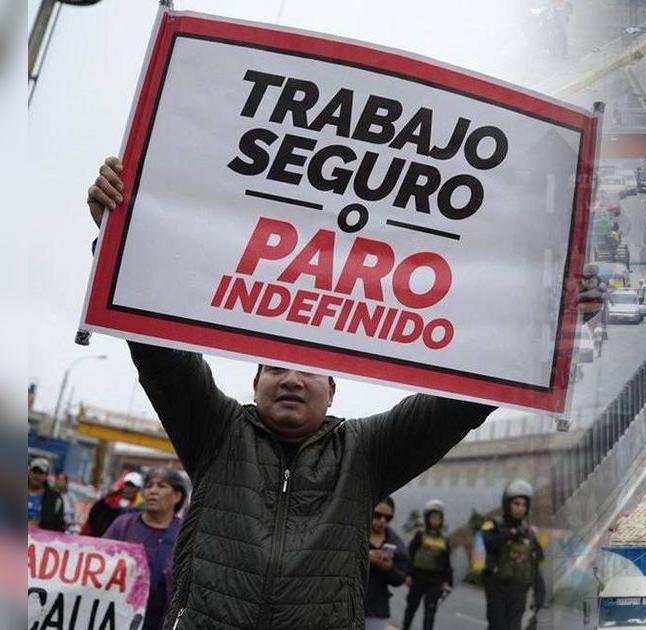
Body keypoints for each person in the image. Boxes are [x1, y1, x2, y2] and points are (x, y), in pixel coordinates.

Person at [83, 156, 498, 629]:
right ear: (254, 383)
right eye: (276, 366)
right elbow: (160, 352)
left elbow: (458, 402)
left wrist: (550, 325)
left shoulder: (365, 452)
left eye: (311, 371)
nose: (293, 379)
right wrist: (119, 239)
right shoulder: (216, 430)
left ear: (333, 390)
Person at [103, 468, 188, 630]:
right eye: (149, 486)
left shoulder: (184, 534)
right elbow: (98, 562)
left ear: (177, 496)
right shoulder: (123, 525)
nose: (152, 491)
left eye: (161, 486)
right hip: (116, 617)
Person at [479, 480, 545, 630]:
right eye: (516, 503)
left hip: (519, 591)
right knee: (498, 626)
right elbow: (490, 545)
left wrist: (540, 594)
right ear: (507, 504)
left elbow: (534, 564)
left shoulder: (529, 532)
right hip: (497, 588)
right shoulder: (493, 524)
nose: (520, 508)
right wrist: (511, 533)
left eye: (524, 504)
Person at [404, 500, 453, 630]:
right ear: (427, 518)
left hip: (435, 581)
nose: (435, 521)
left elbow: (447, 563)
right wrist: (408, 574)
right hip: (418, 577)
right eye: (433, 517)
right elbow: (410, 555)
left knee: (430, 612)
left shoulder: (444, 540)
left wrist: (448, 582)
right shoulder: (419, 536)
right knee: (411, 608)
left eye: (438, 518)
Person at [364, 497, 410, 630]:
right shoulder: (354, 534)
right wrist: (365, 557)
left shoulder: (396, 544)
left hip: (377, 609)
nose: (382, 520)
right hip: (348, 604)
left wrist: (389, 568)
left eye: (387, 517)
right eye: (377, 515)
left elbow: (400, 578)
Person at [81, 471, 143, 537]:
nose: (128, 489)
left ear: (138, 489)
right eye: (127, 485)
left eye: (132, 486)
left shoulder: (138, 510)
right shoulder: (105, 503)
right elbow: (90, 524)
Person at [27, 458, 67, 532]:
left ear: (46, 476)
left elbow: (59, 528)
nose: (37, 476)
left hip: (39, 541)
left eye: (41, 472)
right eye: (35, 471)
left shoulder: (55, 499)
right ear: (29, 472)